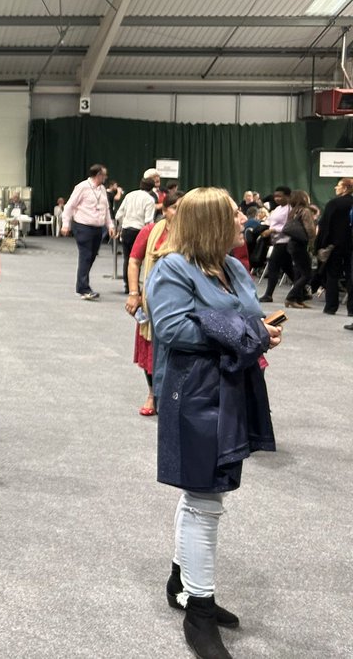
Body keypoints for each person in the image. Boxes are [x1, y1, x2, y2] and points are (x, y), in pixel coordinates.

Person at [145, 187, 280, 659]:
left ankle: (180, 581)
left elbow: (247, 317)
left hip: (229, 387)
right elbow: (172, 329)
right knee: (206, 497)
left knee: (201, 491)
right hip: (195, 392)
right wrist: (247, 333)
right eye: (234, 214)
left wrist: (260, 329)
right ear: (211, 223)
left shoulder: (235, 266)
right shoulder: (171, 269)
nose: (244, 218)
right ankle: (199, 609)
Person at [124, 191, 182, 416]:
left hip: (179, 302)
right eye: (174, 207)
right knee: (150, 349)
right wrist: (133, 293)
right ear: (165, 210)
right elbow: (134, 261)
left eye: (182, 208)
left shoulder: (191, 234)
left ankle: (173, 397)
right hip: (152, 303)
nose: (178, 213)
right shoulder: (150, 231)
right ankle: (152, 393)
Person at [61, 164, 117, 300]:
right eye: (104, 175)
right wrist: (65, 224)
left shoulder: (102, 189)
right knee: (85, 255)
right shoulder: (82, 187)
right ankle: (83, 288)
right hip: (83, 226)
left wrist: (110, 225)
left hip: (98, 228)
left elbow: (106, 209)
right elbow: (69, 206)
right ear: (98, 175)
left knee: (91, 256)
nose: (106, 177)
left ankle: (82, 285)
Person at [317, 178, 353, 317]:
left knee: (332, 276)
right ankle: (351, 309)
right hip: (350, 245)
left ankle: (331, 307)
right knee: (351, 276)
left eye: (338, 186)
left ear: (345, 188)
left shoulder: (334, 203)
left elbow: (325, 226)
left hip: (335, 245)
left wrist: (321, 245)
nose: (335, 188)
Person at [282, 190, 316, 309]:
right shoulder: (305, 211)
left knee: (299, 272)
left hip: (292, 243)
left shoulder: (293, 212)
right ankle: (290, 298)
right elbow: (310, 229)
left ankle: (298, 299)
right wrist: (312, 242)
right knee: (307, 274)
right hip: (301, 245)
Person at [258, 186, 293, 303]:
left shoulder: (290, 209)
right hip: (277, 241)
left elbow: (290, 226)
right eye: (275, 196)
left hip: (286, 242)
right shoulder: (278, 209)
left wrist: (272, 230)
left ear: (288, 196)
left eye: (280, 196)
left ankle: (268, 294)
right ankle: (302, 289)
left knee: (273, 266)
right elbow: (271, 222)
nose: (277, 198)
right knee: (287, 268)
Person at [115, 176, 159, 266]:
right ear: (152, 188)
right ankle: (133, 280)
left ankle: (126, 279)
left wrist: (120, 228)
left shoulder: (129, 195)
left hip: (126, 230)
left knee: (127, 258)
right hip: (139, 232)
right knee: (136, 260)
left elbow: (119, 215)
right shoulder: (150, 200)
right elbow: (148, 221)